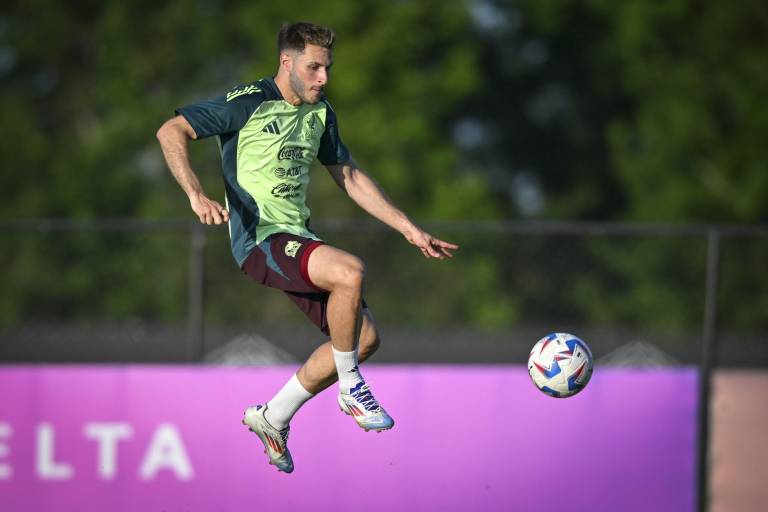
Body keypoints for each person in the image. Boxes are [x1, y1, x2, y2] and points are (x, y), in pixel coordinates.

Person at [156, 21, 458, 474]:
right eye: (314, 67)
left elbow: (350, 177)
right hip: (260, 239)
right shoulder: (248, 103)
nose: (323, 78)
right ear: (287, 62)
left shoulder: (321, 114)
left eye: (327, 68)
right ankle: (351, 389)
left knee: (363, 338)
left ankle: (274, 416)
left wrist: (409, 229)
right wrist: (196, 193)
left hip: (297, 239)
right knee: (350, 271)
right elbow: (170, 131)